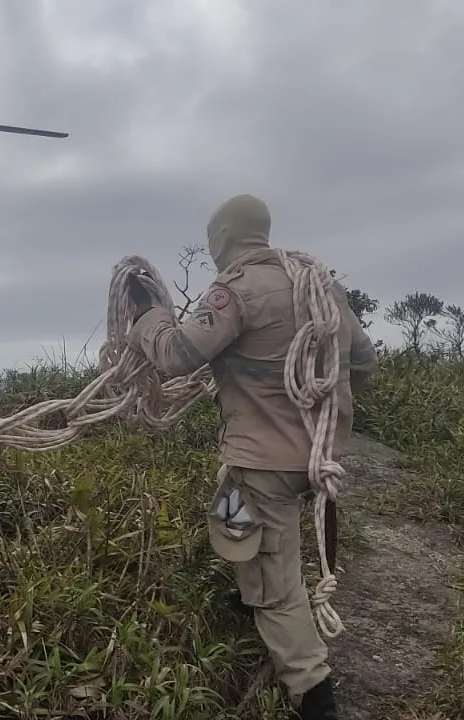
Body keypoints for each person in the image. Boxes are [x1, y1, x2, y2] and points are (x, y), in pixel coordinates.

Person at [124, 193, 377, 720]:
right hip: (316, 453)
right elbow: (363, 361)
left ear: (221, 241)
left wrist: (149, 317)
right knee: (228, 497)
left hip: (266, 462)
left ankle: (313, 692)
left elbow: (178, 355)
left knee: (277, 582)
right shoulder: (319, 284)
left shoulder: (234, 292)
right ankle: (246, 591)